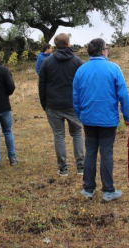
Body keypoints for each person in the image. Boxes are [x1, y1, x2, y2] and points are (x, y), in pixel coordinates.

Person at [73, 38, 129, 202]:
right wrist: (128, 116)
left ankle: (88, 189)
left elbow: (75, 98)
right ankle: (107, 191)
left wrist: (81, 115)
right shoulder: (114, 68)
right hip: (107, 120)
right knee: (106, 153)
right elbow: (123, 95)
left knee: (90, 152)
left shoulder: (81, 70)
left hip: (89, 119)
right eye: (106, 48)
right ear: (102, 50)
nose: (107, 50)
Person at [38, 33, 84, 177]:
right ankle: (81, 166)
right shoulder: (77, 62)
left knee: (59, 135)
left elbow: (42, 84)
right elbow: (83, 84)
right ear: (68, 43)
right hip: (72, 105)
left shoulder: (47, 62)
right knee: (77, 133)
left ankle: (63, 167)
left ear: (55, 45)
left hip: (53, 105)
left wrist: (44, 103)